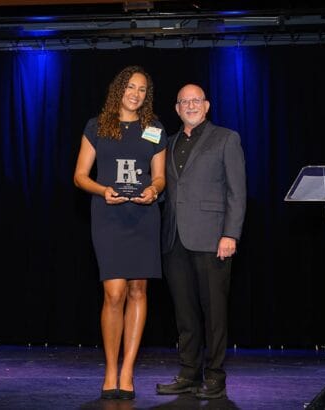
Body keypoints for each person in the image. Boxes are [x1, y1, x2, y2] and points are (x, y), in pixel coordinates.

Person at [74, 66, 167, 400]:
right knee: (114, 293)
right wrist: (102, 191)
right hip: (109, 216)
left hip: (143, 217)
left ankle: (127, 370)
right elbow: (80, 176)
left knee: (138, 290)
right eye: (130, 87)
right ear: (119, 90)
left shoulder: (154, 129)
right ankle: (110, 369)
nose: (136, 93)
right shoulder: (97, 126)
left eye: (142, 89)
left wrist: (154, 191)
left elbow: (160, 177)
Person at [156, 84, 246, 400]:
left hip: (212, 238)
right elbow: (164, 190)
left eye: (196, 100)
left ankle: (216, 376)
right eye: (184, 101)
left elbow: (237, 190)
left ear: (206, 106)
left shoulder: (226, 138)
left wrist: (230, 234)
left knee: (214, 312)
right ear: (177, 109)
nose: (191, 105)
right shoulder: (167, 144)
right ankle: (188, 373)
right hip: (174, 238)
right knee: (185, 313)